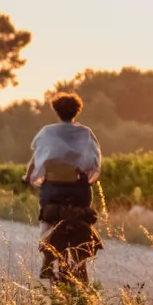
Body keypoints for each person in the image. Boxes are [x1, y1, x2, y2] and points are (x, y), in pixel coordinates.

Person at [24, 92, 102, 279]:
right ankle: (82, 256)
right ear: (77, 111)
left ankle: (48, 257)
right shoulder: (85, 133)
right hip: (79, 190)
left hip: (53, 190)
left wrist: (28, 177)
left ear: (56, 111)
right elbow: (95, 160)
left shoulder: (47, 132)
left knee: (48, 220)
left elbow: (37, 159)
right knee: (83, 216)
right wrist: (91, 178)